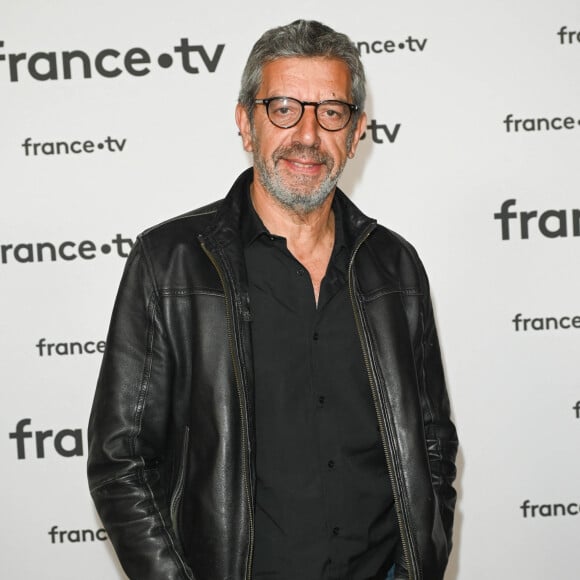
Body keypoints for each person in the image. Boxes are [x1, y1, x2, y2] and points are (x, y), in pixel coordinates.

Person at [87, 19, 458, 580]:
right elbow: (121, 462)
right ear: (246, 122)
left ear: (356, 133)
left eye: (331, 112)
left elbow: (431, 442)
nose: (307, 135)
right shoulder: (170, 263)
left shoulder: (396, 268)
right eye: (284, 108)